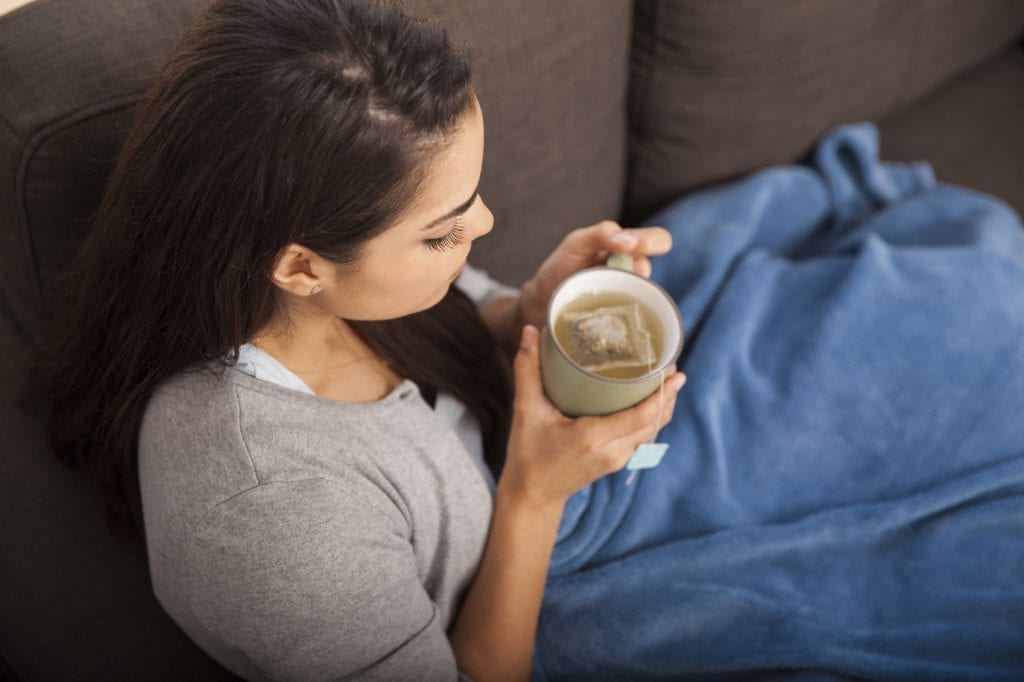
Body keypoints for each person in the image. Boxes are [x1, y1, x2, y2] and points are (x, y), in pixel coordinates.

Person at [25, 0, 684, 679]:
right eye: (441, 233)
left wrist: (526, 308)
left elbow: (448, 309)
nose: (484, 224)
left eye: (471, 200)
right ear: (301, 267)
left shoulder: (319, 286)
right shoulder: (272, 519)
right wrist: (535, 494)